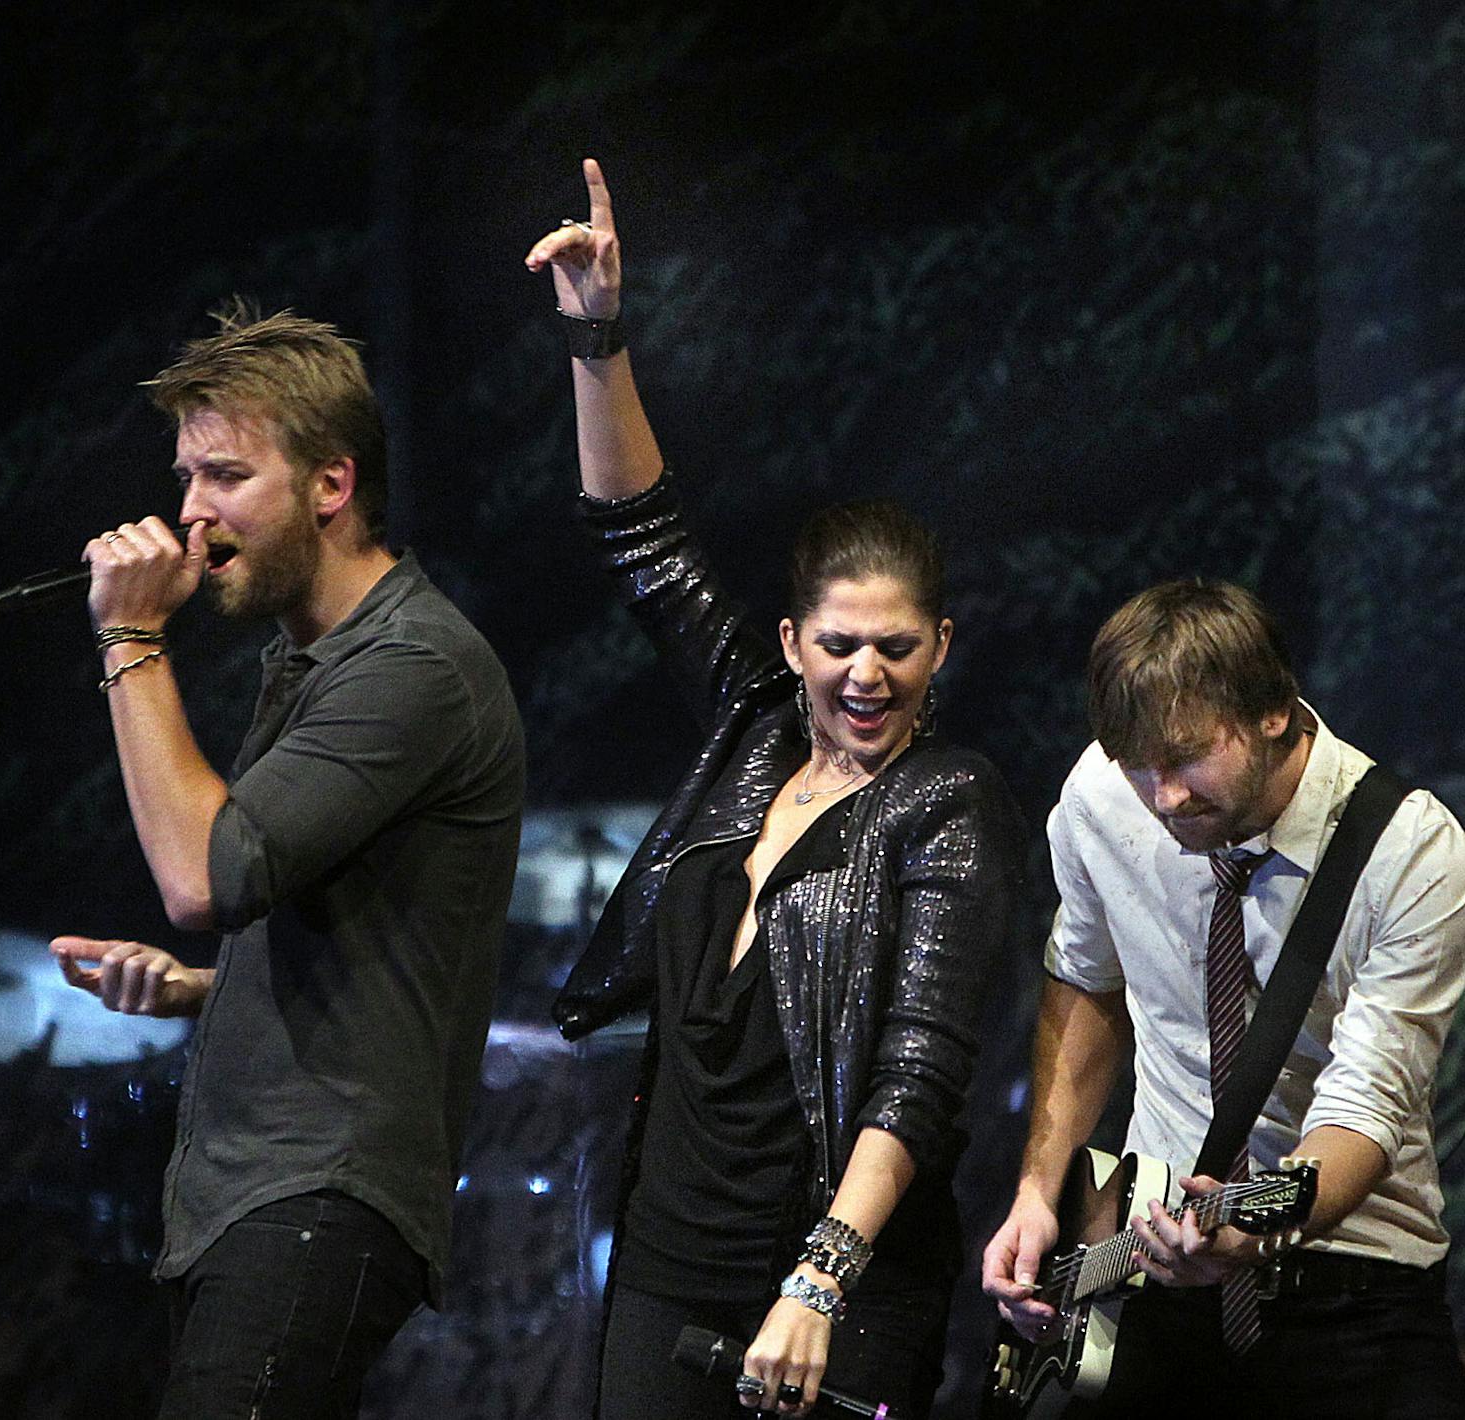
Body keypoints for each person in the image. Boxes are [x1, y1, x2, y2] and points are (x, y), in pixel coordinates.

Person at [524, 159, 1023, 1420]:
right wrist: (597, 335)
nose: (866, 673)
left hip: (827, 1281)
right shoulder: (751, 731)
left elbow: (919, 1072)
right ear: (793, 640)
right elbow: (641, 532)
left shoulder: (948, 804)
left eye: (897, 647)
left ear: (943, 648)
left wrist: (823, 1276)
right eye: (840, 643)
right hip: (664, 1261)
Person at [46, 304, 526, 1420]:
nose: (191, 515)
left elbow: (201, 879)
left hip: (316, 1192)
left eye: (226, 476)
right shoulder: (317, 661)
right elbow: (372, 941)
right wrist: (210, 990)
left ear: (331, 485)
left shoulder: (410, 667)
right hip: (260, 1195)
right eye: (187, 478)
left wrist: (130, 638)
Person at [980, 579, 1465, 1418]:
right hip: (1146, 1254)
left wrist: (1253, 1228)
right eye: (1136, 765)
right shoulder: (1101, 800)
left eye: (1183, 758)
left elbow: (1368, 1104)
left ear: (1273, 711)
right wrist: (1037, 1190)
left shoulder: (1413, 853)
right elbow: (1085, 981)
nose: (1162, 796)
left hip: (1357, 1270)